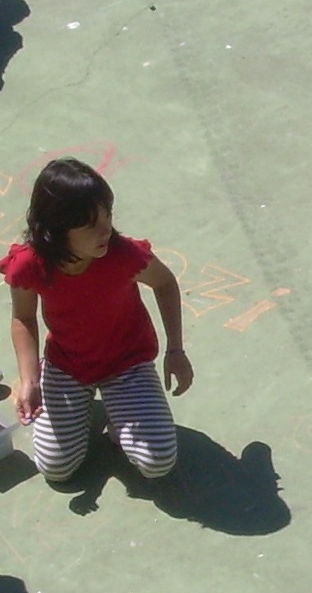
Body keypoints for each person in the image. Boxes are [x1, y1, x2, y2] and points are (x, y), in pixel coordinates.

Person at [2, 157, 194, 483]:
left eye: (108, 215)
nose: (106, 229)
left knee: (157, 460)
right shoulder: (29, 265)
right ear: (56, 230)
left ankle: (120, 414)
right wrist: (30, 378)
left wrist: (175, 349)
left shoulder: (124, 256)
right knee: (55, 469)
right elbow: (23, 318)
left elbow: (164, 283)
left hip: (127, 363)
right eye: (91, 224)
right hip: (68, 364)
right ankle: (87, 406)